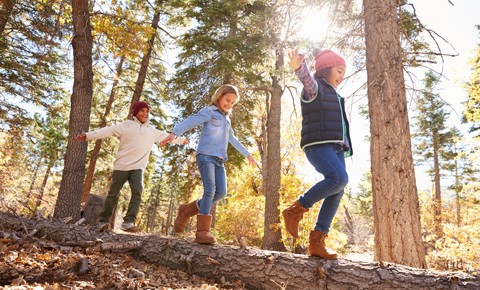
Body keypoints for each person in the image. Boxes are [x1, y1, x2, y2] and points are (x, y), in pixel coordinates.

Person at [160, 84, 257, 244]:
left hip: (219, 160)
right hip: (205, 156)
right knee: (210, 190)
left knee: (221, 193)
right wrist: (174, 133)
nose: (229, 104)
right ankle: (203, 231)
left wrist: (247, 154)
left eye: (232, 103)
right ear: (219, 96)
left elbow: (232, 139)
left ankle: (186, 211)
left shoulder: (226, 119)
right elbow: (191, 122)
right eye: (227, 100)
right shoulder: (209, 112)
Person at [75, 101, 188, 233]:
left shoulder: (151, 131)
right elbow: (107, 131)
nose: (145, 114)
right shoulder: (126, 125)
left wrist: (181, 140)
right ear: (135, 113)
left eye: (147, 111)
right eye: (142, 111)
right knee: (113, 194)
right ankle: (103, 220)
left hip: (138, 167)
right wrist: (88, 135)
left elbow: (167, 136)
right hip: (121, 166)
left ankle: (128, 221)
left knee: (138, 189)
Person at [283, 48, 353, 259]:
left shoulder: (336, 95)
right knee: (339, 178)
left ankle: (317, 242)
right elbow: (307, 81)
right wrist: (299, 68)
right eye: (339, 71)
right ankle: (295, 210)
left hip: (336, 147)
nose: (342, 76)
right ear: (325, 70)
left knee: (337, 189)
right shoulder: (316, 89)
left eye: (344, 73)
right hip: (318, 144)